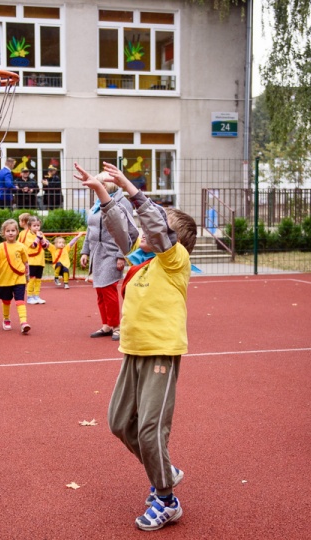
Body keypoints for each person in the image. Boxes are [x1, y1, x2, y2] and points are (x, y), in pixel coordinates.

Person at [73, 160, 196, 531]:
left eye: (154, 224)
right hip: (134, 350)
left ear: (170, 240)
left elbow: (154, 227)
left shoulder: (175, 261)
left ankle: (166, 498)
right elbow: (122, 229)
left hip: (161, 351)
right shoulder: (141, 261)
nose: (145, 227)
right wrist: (101, 191)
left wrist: (128, 185)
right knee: (117, 423)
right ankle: (165, 469)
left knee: (149, 430)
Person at [79, 171, 134, 341]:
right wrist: (85, 251)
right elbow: (91, 230)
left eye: (101, 184)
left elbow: (126, 232)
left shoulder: (123, 203)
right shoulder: (97, 203)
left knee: (108, 289)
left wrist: (120, 255)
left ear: (110, 184)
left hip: (111, 251)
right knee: (100, 290)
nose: (98, 187)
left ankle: (117, 326)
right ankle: (107, 325)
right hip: (97, 251)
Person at [0, 219, 31, 334]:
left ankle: (23, 322)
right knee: (6, 301)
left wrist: (27, 275)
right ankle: (6, 319)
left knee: (20, 301)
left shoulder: (21, 247)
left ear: (17, 231)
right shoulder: (0, 247)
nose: (10, 233)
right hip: (5, 280)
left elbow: (26, 262)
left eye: (13, 230)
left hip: (19, 279)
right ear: (3, 233)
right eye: (8, 231)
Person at [23, 216, 49, 304]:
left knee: (38, 279)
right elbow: (33, 245)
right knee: (31, 279)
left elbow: (45, 246)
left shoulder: (41, 234)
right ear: (30, 226)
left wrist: (43, 240)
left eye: (38, 225)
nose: (37, 227)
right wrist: (38, 238)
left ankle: (36, 296)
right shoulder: (28, 235)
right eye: (34, 226)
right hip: (32, 261)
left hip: (40, 261)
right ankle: (30, 296)